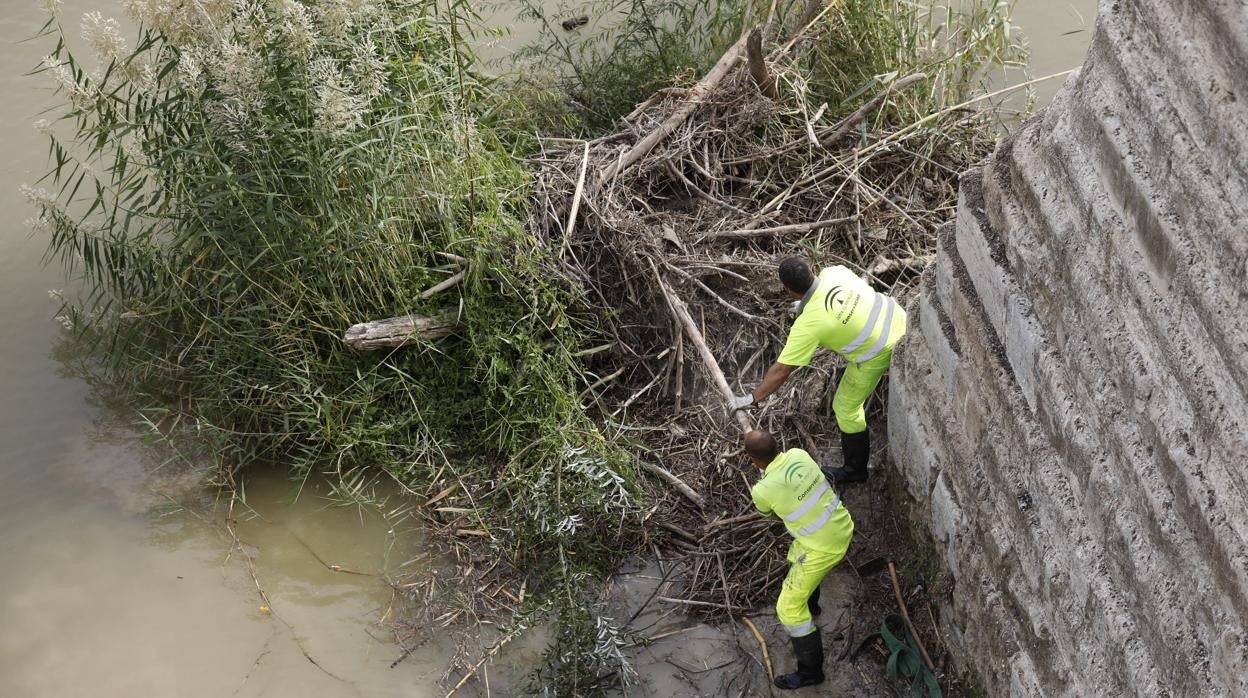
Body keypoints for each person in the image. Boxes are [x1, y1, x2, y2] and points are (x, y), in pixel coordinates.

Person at [730, 257, 907, 484]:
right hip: (900, 318)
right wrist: (804, 305)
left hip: (880, 351)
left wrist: (753, 398)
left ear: (788, 289)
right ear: (811, 269)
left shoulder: (808, 324)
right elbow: (832, 301)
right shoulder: (836, 271)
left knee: (845, 407)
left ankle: (855, 471)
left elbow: (782, 369)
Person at [744, 429, 853, 690]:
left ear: (753, 461)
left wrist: (767, 478)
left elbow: (767, 513)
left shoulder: (762, 490)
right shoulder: (799, 454)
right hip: (842, 525)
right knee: (797, 559)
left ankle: (810, 673)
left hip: (824, 547)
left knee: (788, 609)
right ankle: (812, 607)